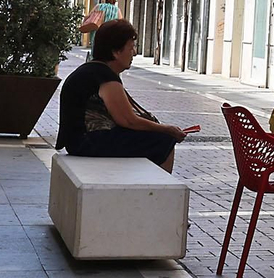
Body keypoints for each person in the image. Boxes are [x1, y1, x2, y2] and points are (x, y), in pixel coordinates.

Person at [56, 20, 188, 172]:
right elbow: (128, 120)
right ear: (116, 51)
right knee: (164, 141)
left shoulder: (94, 70)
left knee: (153, 138)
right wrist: (166, 129)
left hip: (80, 141)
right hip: (88, 142)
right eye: (131, 48)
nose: (134, 53)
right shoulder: (104, 75)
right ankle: (158, 191)